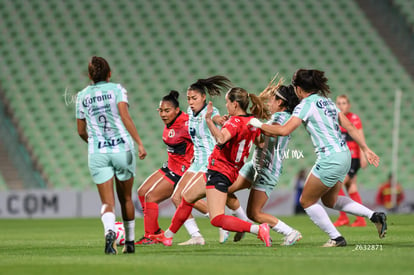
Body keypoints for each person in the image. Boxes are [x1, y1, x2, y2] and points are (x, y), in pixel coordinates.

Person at [248, 69, 387, 247]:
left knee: (306, 201)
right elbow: (350, 126)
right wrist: (365, 149)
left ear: (299, 88)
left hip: (329, 157)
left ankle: (336, 238)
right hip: (345, 155)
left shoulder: (305, 105)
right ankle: (374, 216)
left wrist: (258, 124)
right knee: (330, 200)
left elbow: (283, 130)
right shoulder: (327, 102)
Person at [152, 87, 273, 247]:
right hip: (222, 169)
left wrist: (208, 120)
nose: (226, 106)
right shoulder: (250, 122)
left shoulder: (235, 122)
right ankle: (167, 236)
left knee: (216, 219)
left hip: (220, 171)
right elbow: (260, 143)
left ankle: (258, 229)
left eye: (227, 102)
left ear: (235, 104)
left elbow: (221, 139)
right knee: (186, 197)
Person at [76, 56, 147, 254]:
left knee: (107, 202)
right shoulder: (117, 90)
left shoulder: (82, 95)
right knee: (125, 198)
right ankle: (130, 242)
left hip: (98, 152)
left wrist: (96, 143)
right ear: (109, 73)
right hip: (122, 150)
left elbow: (81, 131)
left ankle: (109, 232)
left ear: (90, 75)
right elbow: (125, 116)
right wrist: (139, 143)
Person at [228, 81, 302, 246]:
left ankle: (291, 232)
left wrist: (254, 124)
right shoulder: (276, 117)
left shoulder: (281, 117)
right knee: (224, 189)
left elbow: (273, 132)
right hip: (254, 166)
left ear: (280, 102)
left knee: (255, 213)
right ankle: (242, 226)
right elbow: (261, 142)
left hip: (267, 171)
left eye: (272, 100)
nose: (269, 103)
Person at [136, 90, 196, 245]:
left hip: (181, 171)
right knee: (142, 193)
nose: (163, 114)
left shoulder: (186, 124)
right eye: (160, 110)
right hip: (170, 166)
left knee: (151, 197)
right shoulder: (171, 123)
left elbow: (203, 137)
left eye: (167, 111)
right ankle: (155, 232)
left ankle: (150, 236)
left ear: (177, 110)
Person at [333, 94, 368, 227]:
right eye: (338, 103)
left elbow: (360, 137)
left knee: (337, 186)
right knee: (351, 187)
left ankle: (343, 218)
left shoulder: (354, 118)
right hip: (343, 157)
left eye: (344, 103)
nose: (341, 106)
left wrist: (364, 155)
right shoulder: (335, 119)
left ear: (349, 105)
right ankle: (361, 220)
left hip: (353, 158)